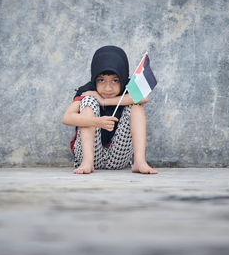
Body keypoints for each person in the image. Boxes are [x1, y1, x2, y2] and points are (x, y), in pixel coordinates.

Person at [62, 46, 158, 174]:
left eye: (115, 80)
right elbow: (67, 118)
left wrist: (105, 101)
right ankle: (87, 162)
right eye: (101, 80)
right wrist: (97, 122)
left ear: (122, 79)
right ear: (94, 78)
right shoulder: (88, 89)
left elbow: (143, 97)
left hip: (118, 157)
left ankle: (139, 162)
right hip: (91, 154)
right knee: (88, 100)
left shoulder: (127, 87)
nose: (107, 88)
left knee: (136, 106)